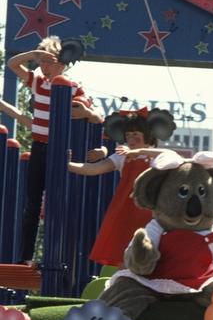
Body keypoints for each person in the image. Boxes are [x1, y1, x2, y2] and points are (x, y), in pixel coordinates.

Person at [8, 36, 103, 264]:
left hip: (60, 149)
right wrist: (33, 54)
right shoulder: (38, 81)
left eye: (48, 61)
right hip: (39, 147)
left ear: (61, 63)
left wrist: (84, 112)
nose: (43, 65)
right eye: (41, 60)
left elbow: (93, 114)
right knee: (31, 203)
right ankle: (25, 257)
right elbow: (12, 64)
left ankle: (59, 256)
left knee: (59, 201)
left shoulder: (72, 86)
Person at [67, 108, 176, 268]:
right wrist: (68, 165)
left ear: (148, 135)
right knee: (124, 252)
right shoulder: (122, 156)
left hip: (150, 213)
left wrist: (139, 151)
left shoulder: (157, 157)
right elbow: (94, 168)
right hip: (126, 212)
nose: (131, 140)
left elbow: (171, 155)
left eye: (136, 135)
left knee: (153, 251)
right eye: (128, 136)